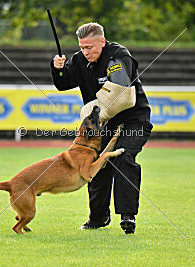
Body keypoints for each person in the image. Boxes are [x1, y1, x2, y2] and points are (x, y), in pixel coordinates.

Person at [50, 22, 153, 234]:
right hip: (104, 125)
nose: (85, 52)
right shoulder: (79, 60)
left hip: (134, 120)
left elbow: (119, 92)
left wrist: (91, 113)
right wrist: (58, 68)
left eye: (90, 47)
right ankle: (98, 219)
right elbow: (62, 83)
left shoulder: (117, 56)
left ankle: (127, 216)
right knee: (95, 164)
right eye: (82, 47)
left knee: (123, 158)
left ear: (102, 42)